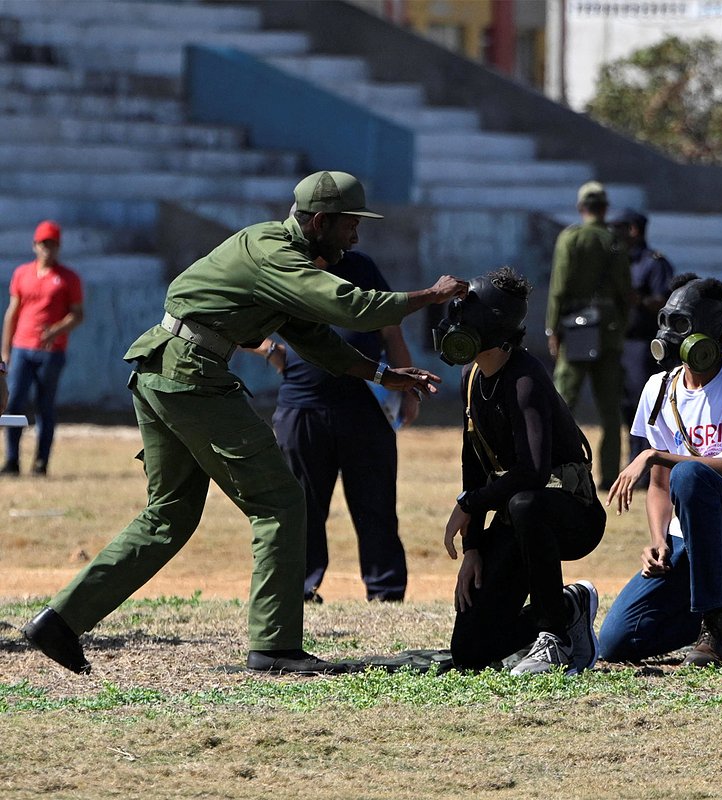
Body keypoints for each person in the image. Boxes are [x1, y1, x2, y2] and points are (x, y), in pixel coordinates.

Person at [20, 170, 468, 675]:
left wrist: (382, 374)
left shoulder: (283, 258)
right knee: (279, 501)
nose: (356, 237)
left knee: (169, 515)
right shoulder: (275, 253)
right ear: (320, 221)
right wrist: (430, 295)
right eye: (349, 225)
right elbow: (352, 308)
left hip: (164, 369)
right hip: (192, 376)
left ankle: (60, 621)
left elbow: (314, 337)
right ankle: (275, 647)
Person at [599, 274, 722, 666]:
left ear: (713, 334)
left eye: (680, 324)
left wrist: (655, 456)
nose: (667, 333)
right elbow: (660, 487)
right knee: (617, 642)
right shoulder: (658, 388)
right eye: (664, 320)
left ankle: (717, 632)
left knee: (691, 474)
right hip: (688, 543)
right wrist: (658, 539)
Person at [439, 267, 605, 675]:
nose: (455, 324)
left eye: (467, 316)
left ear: (492, 327)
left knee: (525, 503)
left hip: (570, 516)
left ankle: (557, 638)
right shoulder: (472, 374)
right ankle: (569, 606)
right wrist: (474, 545)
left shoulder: (525, 379)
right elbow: (473, 462)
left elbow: (532, 471)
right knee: (470, 650)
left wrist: (469, 504)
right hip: (519, 516)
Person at [252, 249, 417, 604]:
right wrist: (272, 352)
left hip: (366, 408)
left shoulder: (361, 266)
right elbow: (237, 322)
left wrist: (409, 390)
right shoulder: (282, 267)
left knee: (376, 504)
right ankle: (301, 589)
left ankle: (385, 592)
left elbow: (391, 331)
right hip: (302, 409)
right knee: (303, 507)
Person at [545, 181, 632, 489]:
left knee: (561, 403)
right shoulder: (615, 241)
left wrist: (552, 328)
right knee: (610, 408)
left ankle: (557, 469)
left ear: (581, 208)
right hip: (608, 331)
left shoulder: (571, 238)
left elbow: (559, 287)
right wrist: (618, 326)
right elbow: (625, 291)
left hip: (576, 329)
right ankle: (609, 476)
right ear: (605, 209)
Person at [1, 220, 84, 476]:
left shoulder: (68, 278)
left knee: (44, 406)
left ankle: (41, 463)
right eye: (43, 244)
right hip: (22, 348)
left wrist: (56, 330)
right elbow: (12, 314)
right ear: (35, 245)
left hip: (51, 352)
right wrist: (5, 353)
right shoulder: (22, 274)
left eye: (52, 244)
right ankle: (12, 460)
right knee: (13, 405)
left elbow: (78, 314)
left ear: (58, 247)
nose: (47, 249)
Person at [609, 207, 674, 479]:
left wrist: (637, 299)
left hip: (644, 345)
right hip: (620, 342)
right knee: (626, 406)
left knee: (645, 405)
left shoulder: (654, 262)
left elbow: (664, 301)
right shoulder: (619, 262)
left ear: (633, 230)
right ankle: (632, 460)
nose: (615, 235)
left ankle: (648, 470)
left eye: (620, 229)